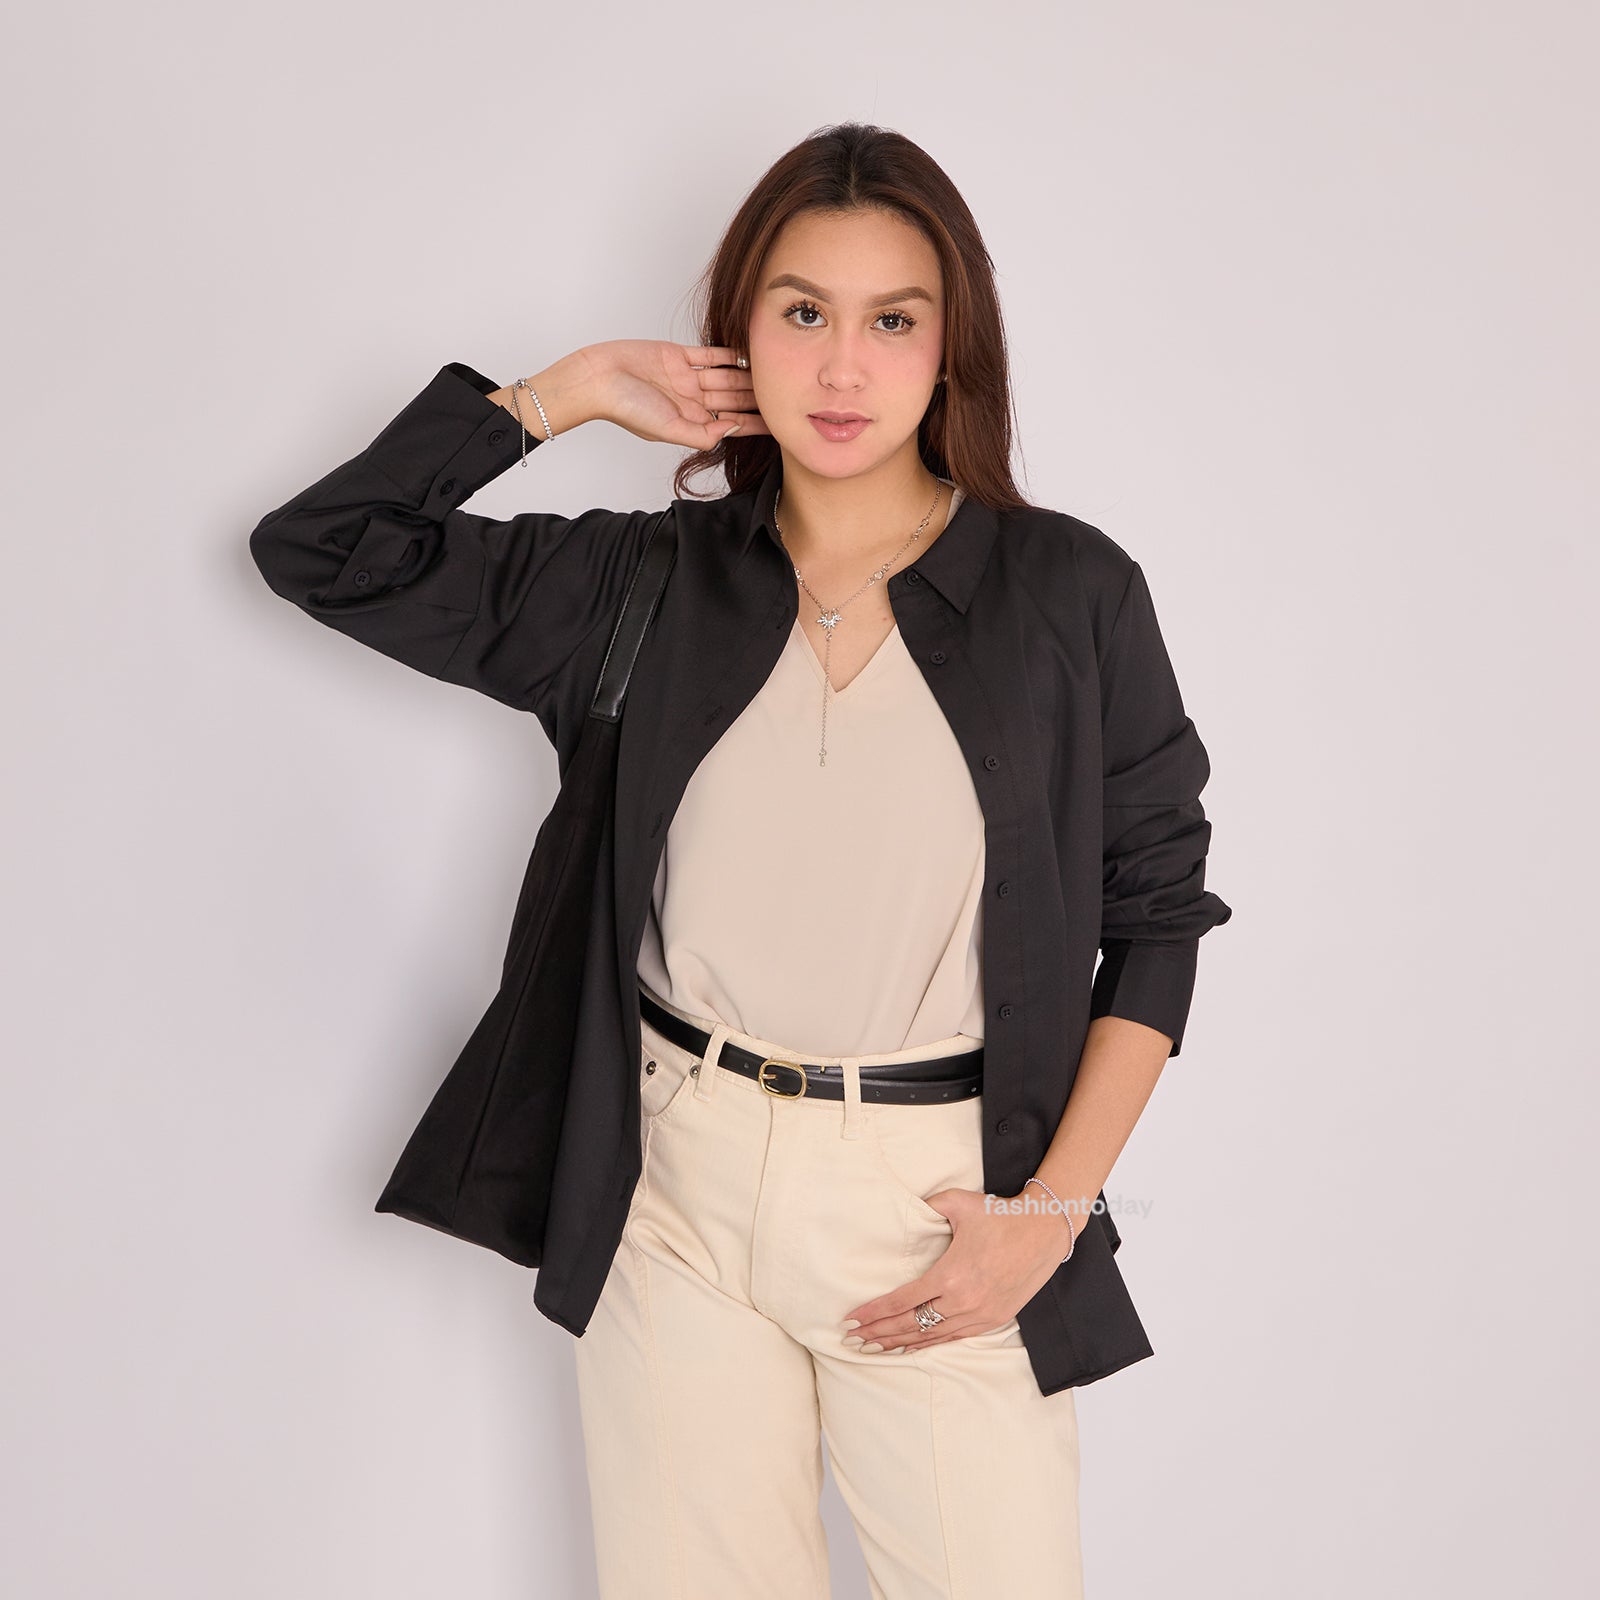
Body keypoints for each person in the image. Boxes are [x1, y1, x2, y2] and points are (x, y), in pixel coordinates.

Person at [249, 122, 1231, 1599]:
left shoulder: (1066, 594)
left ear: (950, 350)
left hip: (935, 1199)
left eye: (892, 322)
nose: (842, 368)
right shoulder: (643, 580)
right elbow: (327, 549)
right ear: (739, 335)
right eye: (802, 312)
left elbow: (1157, 916)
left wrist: (1046, 1221)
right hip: (677, 1183)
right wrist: (564, 393)